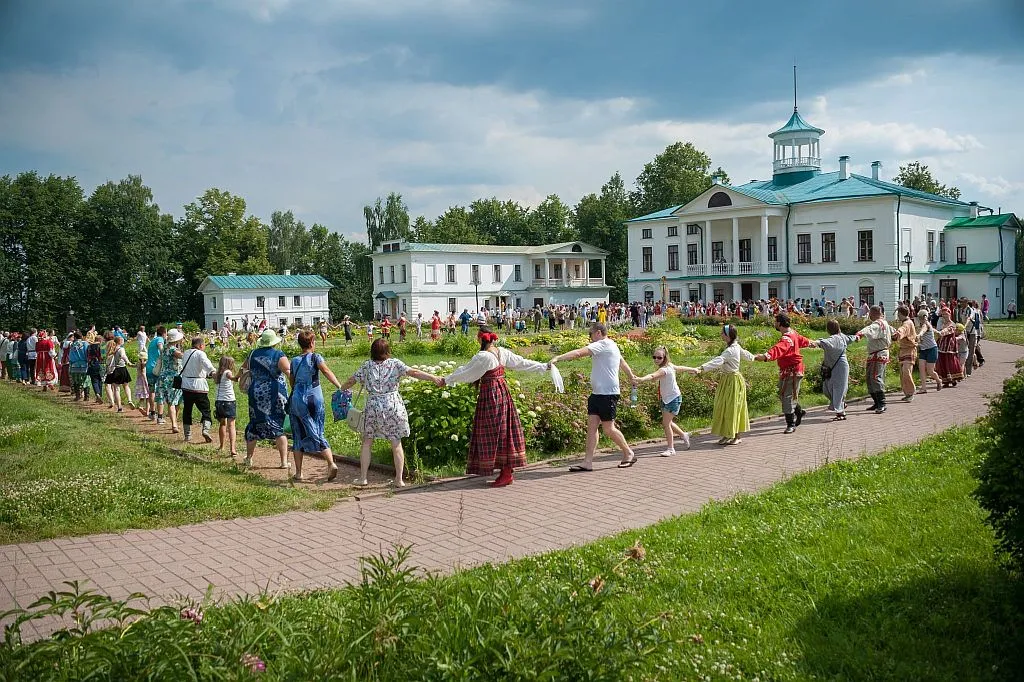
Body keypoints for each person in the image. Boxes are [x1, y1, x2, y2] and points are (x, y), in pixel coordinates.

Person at [441, 327, 551, 487]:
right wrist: (542, 365)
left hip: (491, 395)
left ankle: (506, 471)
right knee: (503, 430)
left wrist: (447, 379)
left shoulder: (483, 356)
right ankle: (506, 470)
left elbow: (468, 374)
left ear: (480, 339)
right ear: (492, 339)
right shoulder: (501, 352)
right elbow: (521, 363)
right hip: (502, 392)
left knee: (493, 431)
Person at [340, 339, 438, 487]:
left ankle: (363, 478)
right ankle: (399, 479)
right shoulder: (395, 364)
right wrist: (434, 378)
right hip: (392, 405)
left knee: (367, 442)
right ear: (387, 351)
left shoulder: (366, 366)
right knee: (396, 443)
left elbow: (351, 381)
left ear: (372, 351)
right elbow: (414, 372)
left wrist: (341, 389)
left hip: (373, 406)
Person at [549, 323, 638, 471]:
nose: (589, 339)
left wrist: (558, 358)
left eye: (590, 335)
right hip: (597, 394)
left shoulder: (603, 344)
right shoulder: (612, 345)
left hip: (608, 394)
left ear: (597, 333)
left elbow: (578, 353)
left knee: (609, 428)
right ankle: (587, 462)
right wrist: (631, 377)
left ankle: (629, 453)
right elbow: (622, 362)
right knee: (592, 427)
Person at [288, 330, 344, 482]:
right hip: (315, 398)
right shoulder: (315, 357)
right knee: (318, 430)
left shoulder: (294, 361)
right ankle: (331, 463)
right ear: (312, 343)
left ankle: (299, 473)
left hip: (298, 400)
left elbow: (291, 380)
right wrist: (339, 386)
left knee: (298, 434)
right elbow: (325, 371)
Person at [754, 313, 812, 433]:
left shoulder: (787, 338)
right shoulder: (793, 333)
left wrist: (765, 356)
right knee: (783, 394)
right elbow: (803, 340)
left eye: (775, 322)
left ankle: (790, 424)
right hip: (788, 371)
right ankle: (799, 412)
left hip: (793, 371)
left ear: (780, 323)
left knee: (787, 397)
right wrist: (812, 342)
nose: (774, 324)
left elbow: (779, 349)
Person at [243, 329, 291, 470]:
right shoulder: (278, 355)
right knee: (278, 425)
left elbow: (243, 369)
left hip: (256, 393)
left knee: (255, 423)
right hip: (275, 394)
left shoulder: (252, 354)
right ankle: (283, 462)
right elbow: (288, 371)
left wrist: (235, 378)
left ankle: (249, 458)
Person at [633, 346, 692, 455]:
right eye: (654, 357)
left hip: (673, 399)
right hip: (666, 399)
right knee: (667, 422)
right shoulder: (669, 366)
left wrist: (641, 379)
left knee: (666, 424)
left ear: (665, 358)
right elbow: (680, 368)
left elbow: (652, 376)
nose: (656, 359)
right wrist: (692, 369)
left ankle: (671, 449)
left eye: (659, 358)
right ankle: (684, 435)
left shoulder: (664, 369)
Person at [808, 320, 856, 421]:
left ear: (828, 329)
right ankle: (841, 405)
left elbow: (822, 342)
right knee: (827, 388)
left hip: (839, 366)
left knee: (838, 389)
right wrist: (857, 336)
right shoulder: (842, 337)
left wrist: (814, 343)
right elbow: (851, 338)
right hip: (835, 366)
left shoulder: (834, 339)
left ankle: (840, 413)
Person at [855, 306, 893, 414]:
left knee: (876, 377)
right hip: (874, 354)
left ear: (874, 313)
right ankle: (876, 402)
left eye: (870, 313)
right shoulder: (885, 323)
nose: (869, 315)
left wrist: (860, 334)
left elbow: (870, 329)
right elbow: (894, 333)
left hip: (879, 354)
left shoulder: (878, 323)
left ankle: (882, 403)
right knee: (870, 378)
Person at [179, 336, 216, 443]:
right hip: (199, 386)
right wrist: (213, 372)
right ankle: (205, 429)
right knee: (206, 409)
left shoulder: (186, 353)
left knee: (187, 410)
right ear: (200, 345)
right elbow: (207, 365)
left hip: (186, 386)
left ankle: (187, 434)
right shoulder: (200, 353)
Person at [154, 329, 186, 431]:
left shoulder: (164, 348)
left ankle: (174, 422)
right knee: (174, 401)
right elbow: (182, 356)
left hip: (163, 377)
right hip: (173, 378)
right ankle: (174, 425)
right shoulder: (173, 350)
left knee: (169, 400)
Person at [214, 355, 239, 457]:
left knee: (222, 424)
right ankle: (232, 448)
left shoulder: (217, 374)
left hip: (219, 401)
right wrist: (238, 376)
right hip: (229, 401)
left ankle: (221, 445)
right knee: (231, 425)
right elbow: (233, 378)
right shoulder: (228, 372)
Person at [892, 307, 918, 402]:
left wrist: (897, 334)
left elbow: (902, 330)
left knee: (906, 371)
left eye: (898, 314)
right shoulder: (906, 322)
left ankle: (911, 392)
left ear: (901, 314)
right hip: (903, 350)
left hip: (909, 350)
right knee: (903, 373)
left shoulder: (907, 323)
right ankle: (907, 393)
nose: (898, 316)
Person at [914, 309, 942, 393]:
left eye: (920, 317)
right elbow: (932, 330)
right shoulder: (923, 324)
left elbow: (923, 330)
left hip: (932, 349)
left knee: (930, 371)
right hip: (923, 349)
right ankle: (923, 388)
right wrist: (938, 332)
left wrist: (919, 335)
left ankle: (938, 380)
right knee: (921, 368)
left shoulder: (925, 325)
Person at [935, 308, 964, 387]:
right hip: (942, 345)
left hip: (950, 346)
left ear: (949, 314)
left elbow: (947, 331)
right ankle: (946, 380)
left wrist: (940, 332)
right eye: (943, 314)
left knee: (950, 361)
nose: (944, 316)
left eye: (946, 314)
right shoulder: (943, 323)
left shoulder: (952, 324)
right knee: (942, 361)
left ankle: (953, 378)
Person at [104, 336, 132, 411]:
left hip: (115, 370)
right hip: (122, 369)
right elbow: (123, 356)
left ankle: (119, 407)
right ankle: (129, 400)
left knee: (116, 389)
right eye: (122, 340)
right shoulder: (121, 349)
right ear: (120, 341)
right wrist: (128, 362)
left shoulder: (113, 349)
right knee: (126, 386)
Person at [145, 326, 166, 421]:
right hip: (157, 369)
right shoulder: (160, 339)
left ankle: (152, 413)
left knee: (152, 390)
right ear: (164, 333)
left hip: (149, 368)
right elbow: (160, 346)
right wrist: (165, 352)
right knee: (160, 391)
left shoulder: (153, 340)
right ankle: (160, 416)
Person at [133, 351, 150, 416]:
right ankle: (147, 411)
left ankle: (141, 406)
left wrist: (128, 363)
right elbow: (143, 373)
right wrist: (146, 381)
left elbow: (133, 365)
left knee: (142, 396)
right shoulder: (143, 364)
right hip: (144, 381)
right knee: (148, 397)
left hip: (139, 381)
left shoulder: (138, 363)